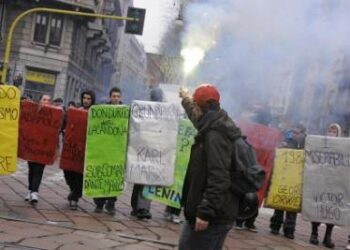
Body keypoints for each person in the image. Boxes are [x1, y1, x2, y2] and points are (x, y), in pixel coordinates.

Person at [178, 84, 240, 250]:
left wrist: (205, 213)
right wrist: (185, 98)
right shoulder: (214, 121)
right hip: (217, 212)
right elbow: (195, 116)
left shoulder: (214, 135)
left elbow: (219, 178)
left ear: (200, 107)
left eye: (195, 106)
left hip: (212, 216)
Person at [130, 87, 163, 220]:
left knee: (145, 179)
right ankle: (139, 207)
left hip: (151, 150)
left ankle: (142, 207)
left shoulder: (162, 112)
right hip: (147, 149)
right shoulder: (147, 110)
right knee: (142, 179)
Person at [269, 123, 306, 239]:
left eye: (297, 133)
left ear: (303, 134)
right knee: (280, 201)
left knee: (292, 206)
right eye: (293, 132)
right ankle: (275, 226)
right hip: (284, 177)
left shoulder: (307, 145)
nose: (294, 135)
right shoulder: (286, 141)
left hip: (297, 179)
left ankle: (289, 230)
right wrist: (280, 148)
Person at [309, 123, 341, 249]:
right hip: (320, 181)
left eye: (334, 131)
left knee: (332, 209)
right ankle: (314, 233)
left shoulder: (343, 147)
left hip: (335, 183)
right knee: (318, 206)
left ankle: (328, 236)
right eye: (330, 130)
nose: (331, 133)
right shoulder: (320, 144)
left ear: (338, 134)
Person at [63, 90, 95, 210]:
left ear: (92, 101)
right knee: (67, 171)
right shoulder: (75, 111)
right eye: (85, 98)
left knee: (79, 175)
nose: (86, 100)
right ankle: (74, 191)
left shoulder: (96, 113)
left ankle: (74, 198)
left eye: (89, 99)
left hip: (87, 149)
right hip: (72, 149)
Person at [93, 87, 122, 215]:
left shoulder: (125, 111)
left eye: (117, 96)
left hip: (117, 151)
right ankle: (99, 203)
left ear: (120, 98)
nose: (115, 98)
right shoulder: (102, 110)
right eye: (113, 96)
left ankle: (111, 203)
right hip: (103, 149)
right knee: (101, 175)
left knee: (114, 176)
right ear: (110, 97)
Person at [24, 94, 52, 203]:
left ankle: (35, 192)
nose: (46, 102)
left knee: (39, 169)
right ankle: (30, 189)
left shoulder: (53, 114)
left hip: (44, 148)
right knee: (31, 169)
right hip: (32, 146)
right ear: (39, 101)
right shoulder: (33, 112)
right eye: (44, 99)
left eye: (48, 100)